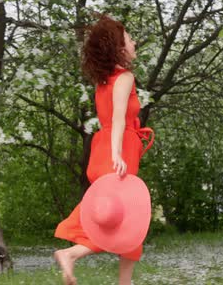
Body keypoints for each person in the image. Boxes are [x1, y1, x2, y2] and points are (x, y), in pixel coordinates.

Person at [53, 15, 153, 285]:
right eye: (130, 39)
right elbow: (119, 118)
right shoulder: (124, 78)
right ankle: (73, 254)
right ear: (120, 48)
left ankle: (122, 280)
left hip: (105, 150)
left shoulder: (104, 81)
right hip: (116, 151)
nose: (134, 43)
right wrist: (117, 153)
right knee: (127, 217)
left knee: (120, 216)